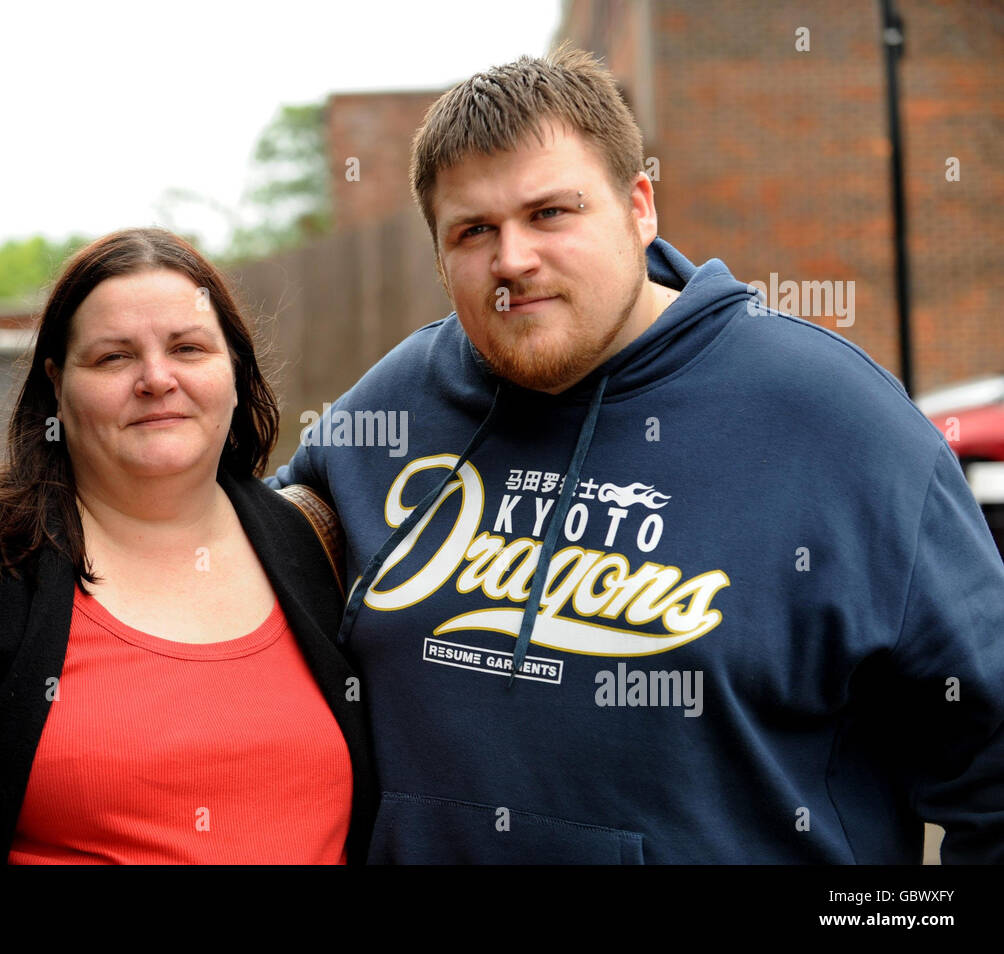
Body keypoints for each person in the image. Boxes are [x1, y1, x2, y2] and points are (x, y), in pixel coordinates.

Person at [269, 47, 1004, 863]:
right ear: (442, 257)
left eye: (551, 213)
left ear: (639, 206)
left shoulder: (839, 424)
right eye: (475, 230)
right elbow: (231, 553)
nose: (512, 260)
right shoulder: (401, 402)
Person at [0, 227, 375, 864]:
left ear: (235, 369)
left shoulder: (312, 546)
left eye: (189, 348)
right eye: (113, 357)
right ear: (56, 383)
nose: (156, 379)